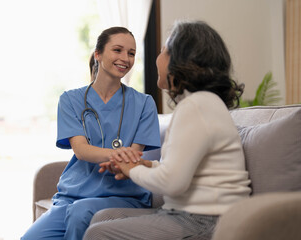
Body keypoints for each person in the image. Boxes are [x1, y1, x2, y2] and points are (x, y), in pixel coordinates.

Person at [83, 20, 252, 240]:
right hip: (190, 214)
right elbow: (182, 170)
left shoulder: (196, 106)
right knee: (103, 217)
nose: (157, 59)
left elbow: (172, 183)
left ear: (181, 60)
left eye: (163, 51)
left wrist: (131, 169)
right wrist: (146, 164)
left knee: (98, 233)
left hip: (209, 219)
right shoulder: (200, 103)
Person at [21, 27, 161, 240]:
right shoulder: (70, 100)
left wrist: (122, 158)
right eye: (117, 50)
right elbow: (81, 150)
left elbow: (133, 157)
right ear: (98, 54)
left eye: (131, 53)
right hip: (73, 196)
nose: (125, 58)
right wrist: (118, 155)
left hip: (124, 195)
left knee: (81, 214)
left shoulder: (144, 104)